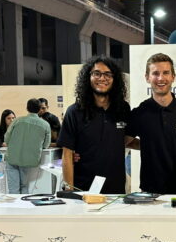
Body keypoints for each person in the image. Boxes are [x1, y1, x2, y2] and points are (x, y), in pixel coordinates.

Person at [57, 56, 132, 194]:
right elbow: (67, 154)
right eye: (97, 73)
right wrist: (69, 190)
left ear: (114, 79)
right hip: (83, 190)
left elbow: (126, 139)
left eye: (108, 74)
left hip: (116, 189)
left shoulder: (123, 109)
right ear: (88, 77)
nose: (102, 78)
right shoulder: (74, 112)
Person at [125, 53, 176, 194]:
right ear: (147, 77)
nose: (161, 78)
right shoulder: (140, 112)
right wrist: (148, 145)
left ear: (173, 77)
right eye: (155, 73)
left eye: (165, 73)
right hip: (150, 191)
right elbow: (125, 141)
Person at [4, 98, 51, 193]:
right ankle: (24, 201)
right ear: (39, 109)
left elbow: (7, 138)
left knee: (13, 188)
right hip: (29, 160)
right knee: (24, 185)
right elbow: (46, 145)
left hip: (12, 157)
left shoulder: (17, 121)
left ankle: (15, 202)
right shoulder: (45, 125)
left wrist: (12, 144)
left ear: (27, 108)